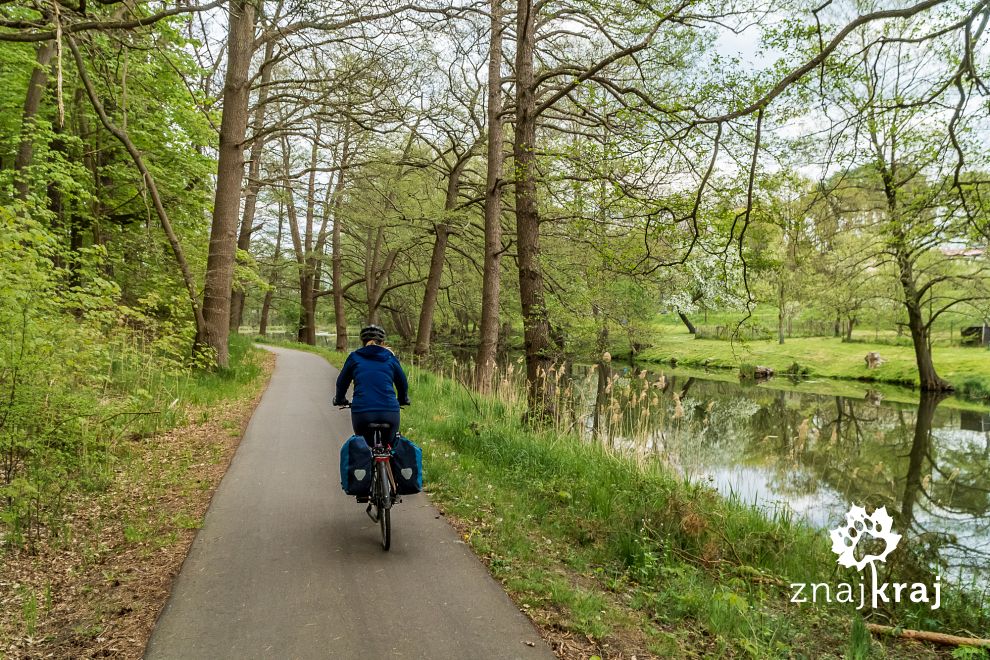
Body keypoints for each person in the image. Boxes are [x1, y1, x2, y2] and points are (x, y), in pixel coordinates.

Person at [332, 324, 410, 445]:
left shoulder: (354, 357)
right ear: (382, 342)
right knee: (391, 447)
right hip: (389, 411)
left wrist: (340, 399)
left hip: (363, 412)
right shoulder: (390, 358)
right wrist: (403, 399)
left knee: (364, 449)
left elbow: (341, 382)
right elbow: (402, 383)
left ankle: (364, 461)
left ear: (362, 342)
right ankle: (392, 462)